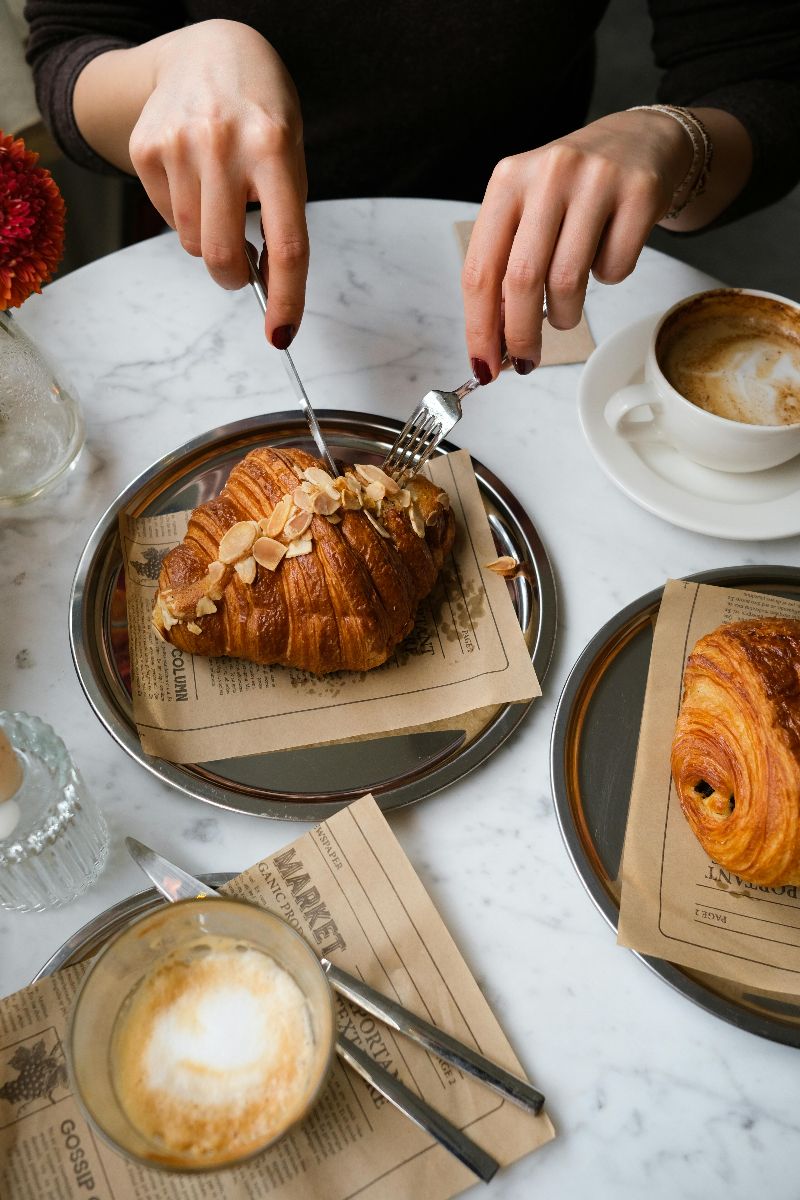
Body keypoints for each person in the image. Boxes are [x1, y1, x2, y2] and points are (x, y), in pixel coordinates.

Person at [24, 2, 800, 382]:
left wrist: (672, 140)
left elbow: (762, 75)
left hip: (531, 246)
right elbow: (70, 50)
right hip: (213, 239)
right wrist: (172, 65)